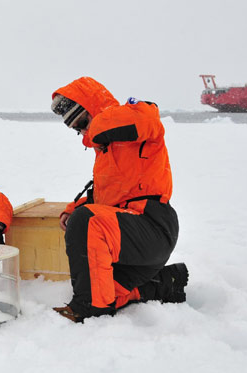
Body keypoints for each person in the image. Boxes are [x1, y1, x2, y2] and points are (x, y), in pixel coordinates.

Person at [50, 76, 188, 323]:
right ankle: (166, 283)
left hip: (152, 225)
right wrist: (74, 209)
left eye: (82, 121)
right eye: (75, 128)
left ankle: (91, 310)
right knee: (104, 286)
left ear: (94, 110)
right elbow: (104, 199)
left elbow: (149, 118)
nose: (82, 131)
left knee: (87, 223)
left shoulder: (136, 119)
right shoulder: (104, 153)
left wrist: (100, 119)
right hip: (130, 240)